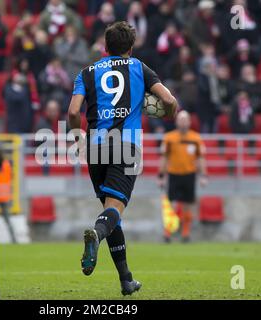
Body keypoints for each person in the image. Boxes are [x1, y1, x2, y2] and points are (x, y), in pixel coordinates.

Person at [68, 21, 178, 295]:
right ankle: (96, 232)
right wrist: (167, 113)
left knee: (111, 211)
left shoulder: (86, 73)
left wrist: (76, 137)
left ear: (105, 48)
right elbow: (169, 99)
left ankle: (126, 279)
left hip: (95, 148)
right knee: (113, 212)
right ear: (131, 47)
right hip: (125, 148)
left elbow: (72, 112)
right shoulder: (139, 67)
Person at [158, 111, 208, 243]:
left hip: (189, 175)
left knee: (187, 205)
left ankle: (186, 234)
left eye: (185, 119)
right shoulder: (169, 137)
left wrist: (203, 175)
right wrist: (161, 176)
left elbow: (200, 158)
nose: (183, 122)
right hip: (173, 174)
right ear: (176, 122)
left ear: (190, 122)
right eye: (181, 119)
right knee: (172, 206)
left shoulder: (196, 138)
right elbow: (164, 158)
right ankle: (167, 233)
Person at [0, 147, 16, 243]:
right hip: (4, 195)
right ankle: (14, 239)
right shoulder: (6, 164)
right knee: (8, 220)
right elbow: (11, 176)